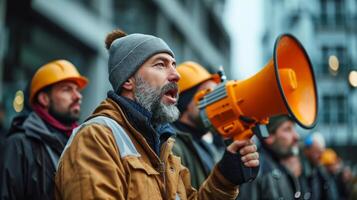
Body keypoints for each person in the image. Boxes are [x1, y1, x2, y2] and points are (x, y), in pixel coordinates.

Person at [54, 29, 259, 200]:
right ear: (128, 80)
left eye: (173, 65)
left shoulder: (164, 150)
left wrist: (223, 180)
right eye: (160, 64)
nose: (176, 75)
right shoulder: (96, 139)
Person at [0, 60, 88, 200]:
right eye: (67, 89)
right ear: (44, 99)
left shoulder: (82, 145)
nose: (78, 96)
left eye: (77, 90)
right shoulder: (19, 144)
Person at [171, 61, 223, 189]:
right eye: (208, 95)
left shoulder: (207, 146)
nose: (214, 102)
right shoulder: (171, 145)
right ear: (186, 101)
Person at [238, 115, 305, 199]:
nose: (296, 136)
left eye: (294, 129)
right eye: (287, 129)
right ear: (269, 136)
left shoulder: (278, 165)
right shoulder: (255, 170)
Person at [301, 132, 339, 200]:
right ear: (307, 150)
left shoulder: (319, 170)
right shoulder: (300, 170)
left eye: (322, 153)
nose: (320, 156)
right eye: (317, 152)